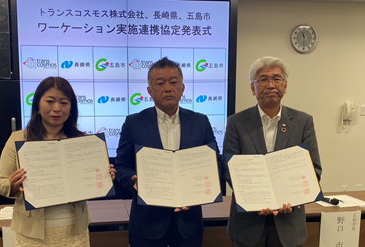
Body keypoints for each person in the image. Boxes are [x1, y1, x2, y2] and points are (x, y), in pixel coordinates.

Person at [0, 76, 116, 246]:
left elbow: (92, 181)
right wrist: (14, 185)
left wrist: (104, 176)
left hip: (75, 232)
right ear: (37, 104)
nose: (57, 108)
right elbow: (0, 183)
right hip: (33, 234)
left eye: (64, 103)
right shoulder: (18, 139)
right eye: (50, 101)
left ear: (71, 108)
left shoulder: (84, 143)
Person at [115, 57, 222, 247]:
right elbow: (122, 165)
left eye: (173, 82)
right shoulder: (134, 123)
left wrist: (200, 192)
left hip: (189, 223)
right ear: (150, 91)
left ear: (182, 88)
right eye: (160, 83)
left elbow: (214, 165)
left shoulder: (200, 122)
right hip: (147, 224)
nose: (168, 87)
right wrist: (133, 179)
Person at [223, 56, 322, 247]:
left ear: (285, 86)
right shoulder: (237, 122)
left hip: (289, 225)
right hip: (248, 226)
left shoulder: (303, 122)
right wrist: (256, 198)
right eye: (263, 79)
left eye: (277, 79)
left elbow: (313, 169)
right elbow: (229, 169)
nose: (271, 84)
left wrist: (293, 198)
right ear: (253, 88)